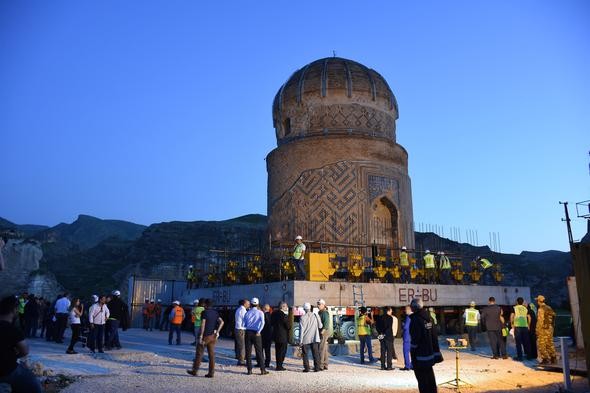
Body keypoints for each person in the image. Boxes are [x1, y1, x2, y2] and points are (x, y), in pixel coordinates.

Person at [0, 295, 43, 393]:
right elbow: (25, 350)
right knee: (35, 387)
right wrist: (13, 356)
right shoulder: (12, 329)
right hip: (7, 370)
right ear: (14, 310)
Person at [409, 298, 443, 393]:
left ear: (414, 308)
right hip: (429, 354)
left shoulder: (415, 320)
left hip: (420, 356)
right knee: (430, 377)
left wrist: (412, 351)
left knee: (422, 380)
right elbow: (434, 335)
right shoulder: (429, 318)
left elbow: (415, 339)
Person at [187, 299, 225, 378]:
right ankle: (211, 373)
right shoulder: (215, 312)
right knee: (211, 355)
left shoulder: (204, 312)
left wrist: (201, 336)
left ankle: (195, 371)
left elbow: (203, 324)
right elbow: (222, 322)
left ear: (206, 305)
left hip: (205, 336)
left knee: (199, 354)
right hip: (213, 336)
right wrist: (217, 332)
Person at [243, 297, 268, 375]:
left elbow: (244, 324)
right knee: (259, 351)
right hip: (256, 333)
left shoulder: (247, 312)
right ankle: (262, 370)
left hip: (248, 332)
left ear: (251, 304)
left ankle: (249, 370)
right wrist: (259, 331)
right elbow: (263, 323)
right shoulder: (260, 312)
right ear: (258, 304)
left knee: (248, 352)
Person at [298, 302, 322, 372]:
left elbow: (301, 330)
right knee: (316, 353)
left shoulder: (302, 317)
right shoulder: (315, 315)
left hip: (305, 339)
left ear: (304, 309)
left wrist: (300, 341)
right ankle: (317, 368)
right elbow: (320, 326)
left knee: (305, 354)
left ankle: (307, 368)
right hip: (314, 338)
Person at [535, 295, 557, 364]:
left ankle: (545, 359)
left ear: (539, 301)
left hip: (543, 329)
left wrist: (537, 330)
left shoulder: (541, 309)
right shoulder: (548, 307)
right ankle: (553, 358)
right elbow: (554, 316)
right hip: (550, 328)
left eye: (537, 301)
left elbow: (540, 321)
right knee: (550, 344)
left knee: (541, 344)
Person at [271, 301, 291, 371]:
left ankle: (278, 365)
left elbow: (271, 323)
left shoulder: (274, 313)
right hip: (283, 336)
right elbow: (288, 326)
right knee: (282, 351)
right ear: (282, 307)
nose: (287, 307)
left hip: (276, 335)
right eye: (286, 306)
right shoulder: (284, 315)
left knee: (277, 351)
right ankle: (280, 366)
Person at [510, 297, 532, 361]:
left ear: (517, 302)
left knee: (518, 342)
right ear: (522, 302)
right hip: (525, 326)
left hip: (517, 326)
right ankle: (529, 356)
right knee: (526, 342)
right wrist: (528, 325)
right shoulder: (525, 308)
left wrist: (512, 324)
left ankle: (520, 357)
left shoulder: (514, 308)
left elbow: (512, 316)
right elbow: (529, 317)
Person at [377, 306, 397, 370]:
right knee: (389, 352)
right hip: (388, 337)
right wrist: (386, 334)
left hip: (381, 336)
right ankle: (389, 366)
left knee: (382, 351)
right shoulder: (390, 318)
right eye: (390, 310)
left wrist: (380, 334)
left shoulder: (379, 318)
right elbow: (389, 328)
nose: (391, 312)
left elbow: (377, 327)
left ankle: (382, 366)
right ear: (388, 311)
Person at [234, 299, 249, 365]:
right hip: (241, 329)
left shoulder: (238, 309)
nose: (249, 305)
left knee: (239, 345)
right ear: (244, 304)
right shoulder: (243, 310)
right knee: (242, 345)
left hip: (238, 328)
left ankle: (238, 357)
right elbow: (246, 320)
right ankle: (241, 361)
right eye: (248, 304)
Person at [317, 299, 331, 371]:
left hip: (323, 332)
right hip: (323, 332)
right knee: (324, 349)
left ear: (323, 304)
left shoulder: (324, 313)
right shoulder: (320, 312)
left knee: (321, 349)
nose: (318, 305)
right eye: (317, 303)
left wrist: (321, 333)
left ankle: (320, 365)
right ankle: (325, 364)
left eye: (319, 304)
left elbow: (326, 325)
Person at [401, 305, 413, 371]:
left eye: (405, 309)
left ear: (408, 309)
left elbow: (406, 327)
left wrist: (403, 324)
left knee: (406, 351)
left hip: (407, 337)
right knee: (412, 352)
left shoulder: (408, 317)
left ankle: (407, 366)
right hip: (413, 337)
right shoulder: (414, 316)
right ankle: (413, 365)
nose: (405, 311)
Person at [261, 304, 273, 369]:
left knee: (261, 349)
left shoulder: (264, 315)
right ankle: (267, 363)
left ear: (264, 308)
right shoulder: (271, 315)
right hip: (269, 335)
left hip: (264, 335)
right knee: (268, 350)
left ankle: (262, 362)